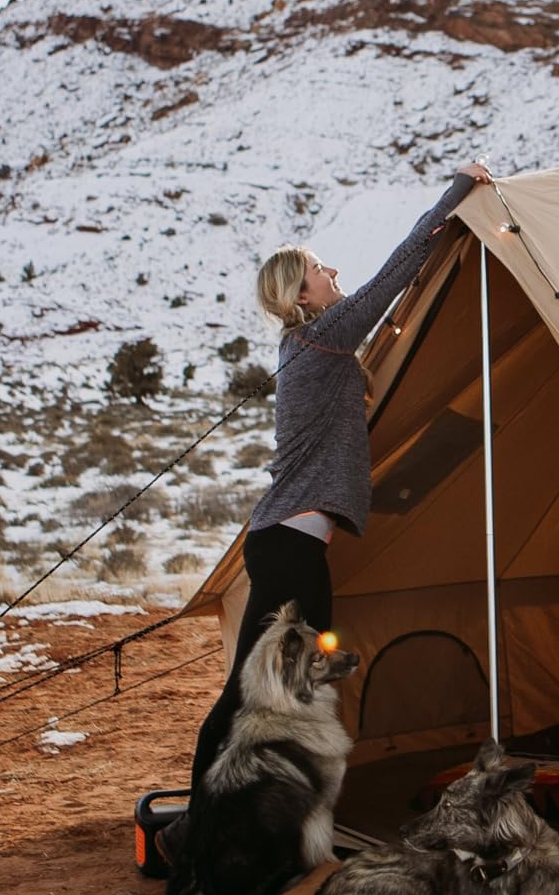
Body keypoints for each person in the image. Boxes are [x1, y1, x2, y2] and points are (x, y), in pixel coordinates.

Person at [185, 161, 492, 781]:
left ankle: (248, 797)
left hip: (289, 545)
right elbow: (401, 267)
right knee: (270, 684)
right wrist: (460, 188)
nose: (335, 276)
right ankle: (211, 812)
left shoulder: (312, 346)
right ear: (302, 294)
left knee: (278, 682)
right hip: (290, 550)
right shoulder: (324, 337)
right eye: (323, 271)